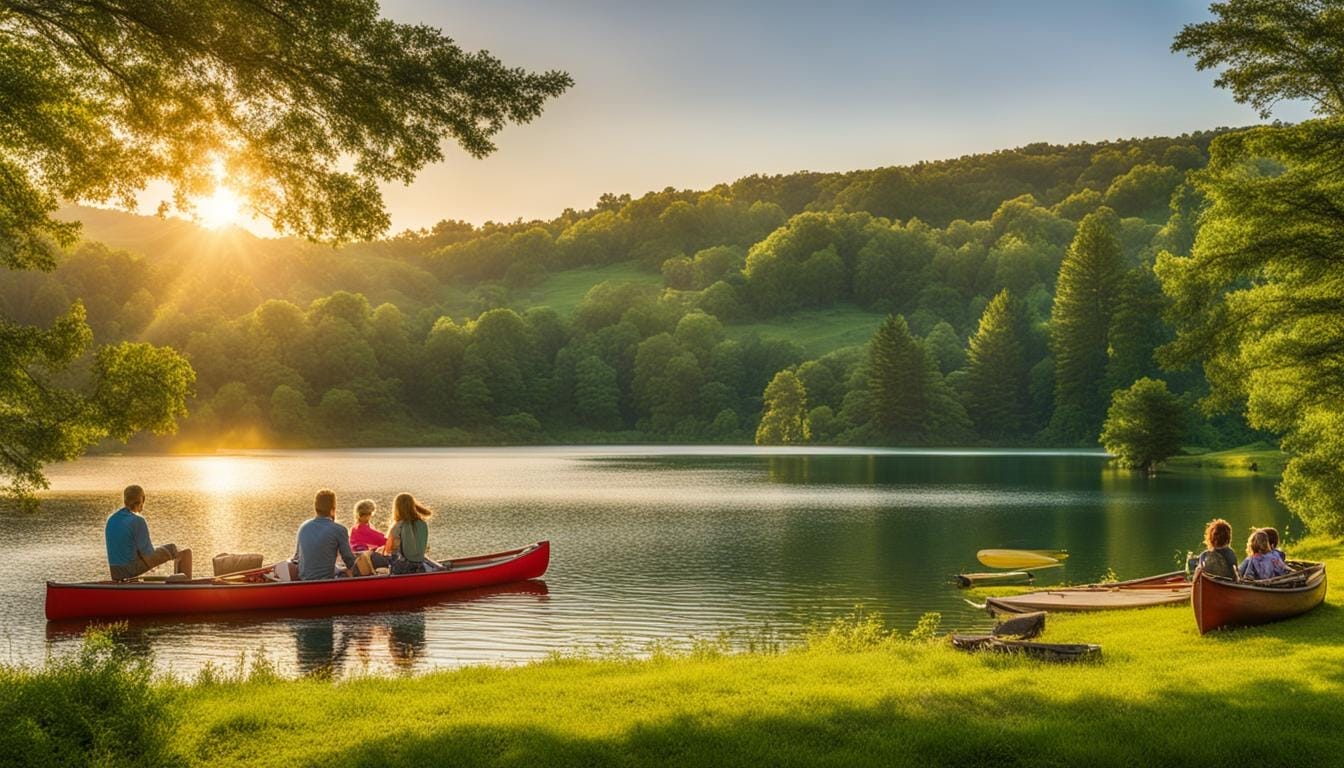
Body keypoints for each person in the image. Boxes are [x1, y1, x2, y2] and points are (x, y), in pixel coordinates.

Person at [105, 484, 192, 581]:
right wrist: (156, 562)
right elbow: (148, 555)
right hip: (129, 570)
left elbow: (127, 548)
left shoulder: (112, 518)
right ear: (142, 500)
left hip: (115, 572)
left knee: (160, 551)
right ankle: (185, 585)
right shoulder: (137, 520)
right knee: (181, 551)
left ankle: (178, 581)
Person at [294, 489, 357, 580]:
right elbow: (349, 560)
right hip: (326, 581)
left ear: (316, 508)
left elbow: (297, 557)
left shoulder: (303, 527)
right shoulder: (339, 529)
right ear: (333, 509)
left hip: (304, 580)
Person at [384, 492, 435, 575]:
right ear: (413, 505)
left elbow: (388, 549)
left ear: (397, 508)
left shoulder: (398, 525)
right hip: (419, 566)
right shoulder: (422, 523)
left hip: (401, 568)